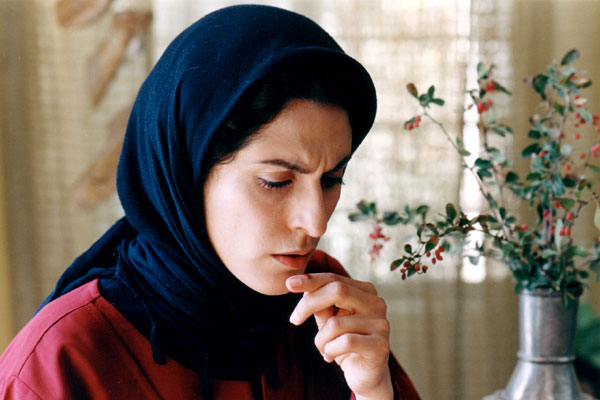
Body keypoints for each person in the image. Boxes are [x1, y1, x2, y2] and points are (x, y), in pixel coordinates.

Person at [0, 5, 420, 400]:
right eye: (276, 182)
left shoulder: (328, 306)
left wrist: (374, 389)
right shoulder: (61, 362)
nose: (315, 223)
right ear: (186, 174)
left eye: (331, 180)